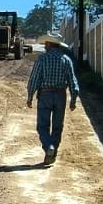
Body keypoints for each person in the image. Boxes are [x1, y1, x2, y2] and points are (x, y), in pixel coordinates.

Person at [25, 33, 79, 166]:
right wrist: (73, 99)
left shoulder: (42, 59)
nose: (44, 47)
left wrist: (30, 95)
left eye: (45, 45)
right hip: (60, 95)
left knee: (42, 126)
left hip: (45, 95)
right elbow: (72, 80)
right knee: (57, 126)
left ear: (49, 44)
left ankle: (49, 147)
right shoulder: (66, 59)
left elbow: (35, 78)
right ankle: (52, 153)